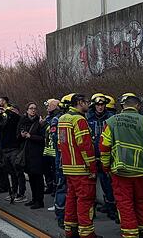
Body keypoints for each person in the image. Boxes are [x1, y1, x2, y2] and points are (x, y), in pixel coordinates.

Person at [100, 93, 143, 238]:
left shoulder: (111, 121)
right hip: (142, 172)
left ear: (123, 106)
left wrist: (106, 167)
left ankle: (130, 235)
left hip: (120, 173)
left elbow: (104, 147)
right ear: (138, 106)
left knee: (125, 206)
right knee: (142, 204)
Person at [58, 93, 98, 238]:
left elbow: (60, 143)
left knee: (71, 199)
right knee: (85, 202)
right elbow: (86, 146)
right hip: (82, 169)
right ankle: (87, 234)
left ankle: (70, 231)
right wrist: (92, 167)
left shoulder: (63, 119)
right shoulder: (79, 120)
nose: (89, 105)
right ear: (80, 103)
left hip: (68, 168)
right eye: (87, 102)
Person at [88, 93, 117, 220]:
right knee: (90, 186)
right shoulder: (88, 119)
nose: (100, 107)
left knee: (108, 185)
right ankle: (91, 210)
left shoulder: (111, 119)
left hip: (107, 157)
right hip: (93, 157)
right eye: (98, 105)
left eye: (102, 105)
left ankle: (112, 209)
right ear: (94, 106)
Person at [0, 97, 26, 203]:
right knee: (11, 173)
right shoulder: (6, 120)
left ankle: (21, 193)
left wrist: (8, 111)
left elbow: (16, 117)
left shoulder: (19, 119)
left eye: (13, 110)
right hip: (5, 148)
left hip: (15, 148)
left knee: (18, 171)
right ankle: (13, 192)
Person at [18, 102, 45, 209]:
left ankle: (39, 200)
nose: (33, 110)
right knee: (31, 177)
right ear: (27, 110)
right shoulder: (23, 121)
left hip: (37, 154)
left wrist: (31, 136)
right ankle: (34, 199)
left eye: (35, 108)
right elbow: (17, 136)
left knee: (38, 178)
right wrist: (21, 135)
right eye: (31, 108)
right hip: (27, 154)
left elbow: (43, 139)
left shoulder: (40, 122)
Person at [52, 95, 72, 228]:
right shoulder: (58, 120)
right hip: (62, 160)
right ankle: (60, 215)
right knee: (62, 187)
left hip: (73, 161)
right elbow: (58, 141)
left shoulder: (78, 118)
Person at [42, 99, 60, 195]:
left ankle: (55, 189)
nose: (47, 108)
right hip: (48, 149)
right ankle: (50, 186)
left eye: (49, 106)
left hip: (55, 150)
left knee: (55, 171)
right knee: (47, 170)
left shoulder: (57, 117)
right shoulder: (48, 118)